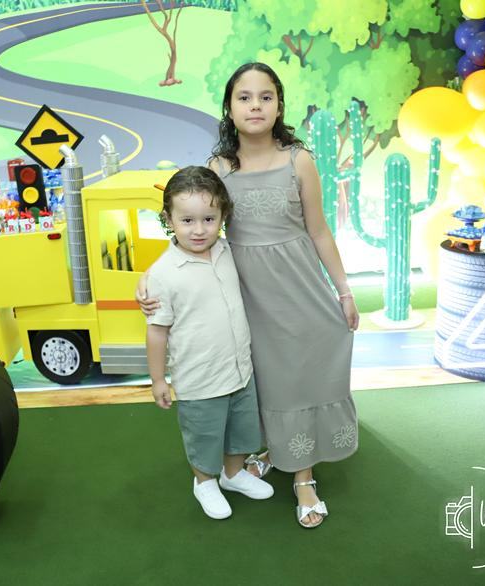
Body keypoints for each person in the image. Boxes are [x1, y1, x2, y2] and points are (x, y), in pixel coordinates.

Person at [139, 63, 359, 528]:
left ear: (279, 105)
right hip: (246, 301)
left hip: (301, 291)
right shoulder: (219, 168)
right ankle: (268, 453)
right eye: (244, 97)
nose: (255, 105)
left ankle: (303, 477)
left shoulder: (299, 160)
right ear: (229, 106)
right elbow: (194, 226)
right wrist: (151, 275)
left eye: (265, 96)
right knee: (264, 384)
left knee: (301, 378)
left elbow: (319, 231)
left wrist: (344, 290)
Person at [145, 165, 274, 520]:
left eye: (208, 219)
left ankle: (233, 474)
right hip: (199, 380)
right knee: (204, 437)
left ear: (222, 217)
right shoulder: (163, 274)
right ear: (169, 219)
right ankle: (204, 482)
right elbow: (157, 331)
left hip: (239, 370)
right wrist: (157, 379)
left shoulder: (227, 251)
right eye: (187, 220)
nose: (199, 230)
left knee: (241, 431)